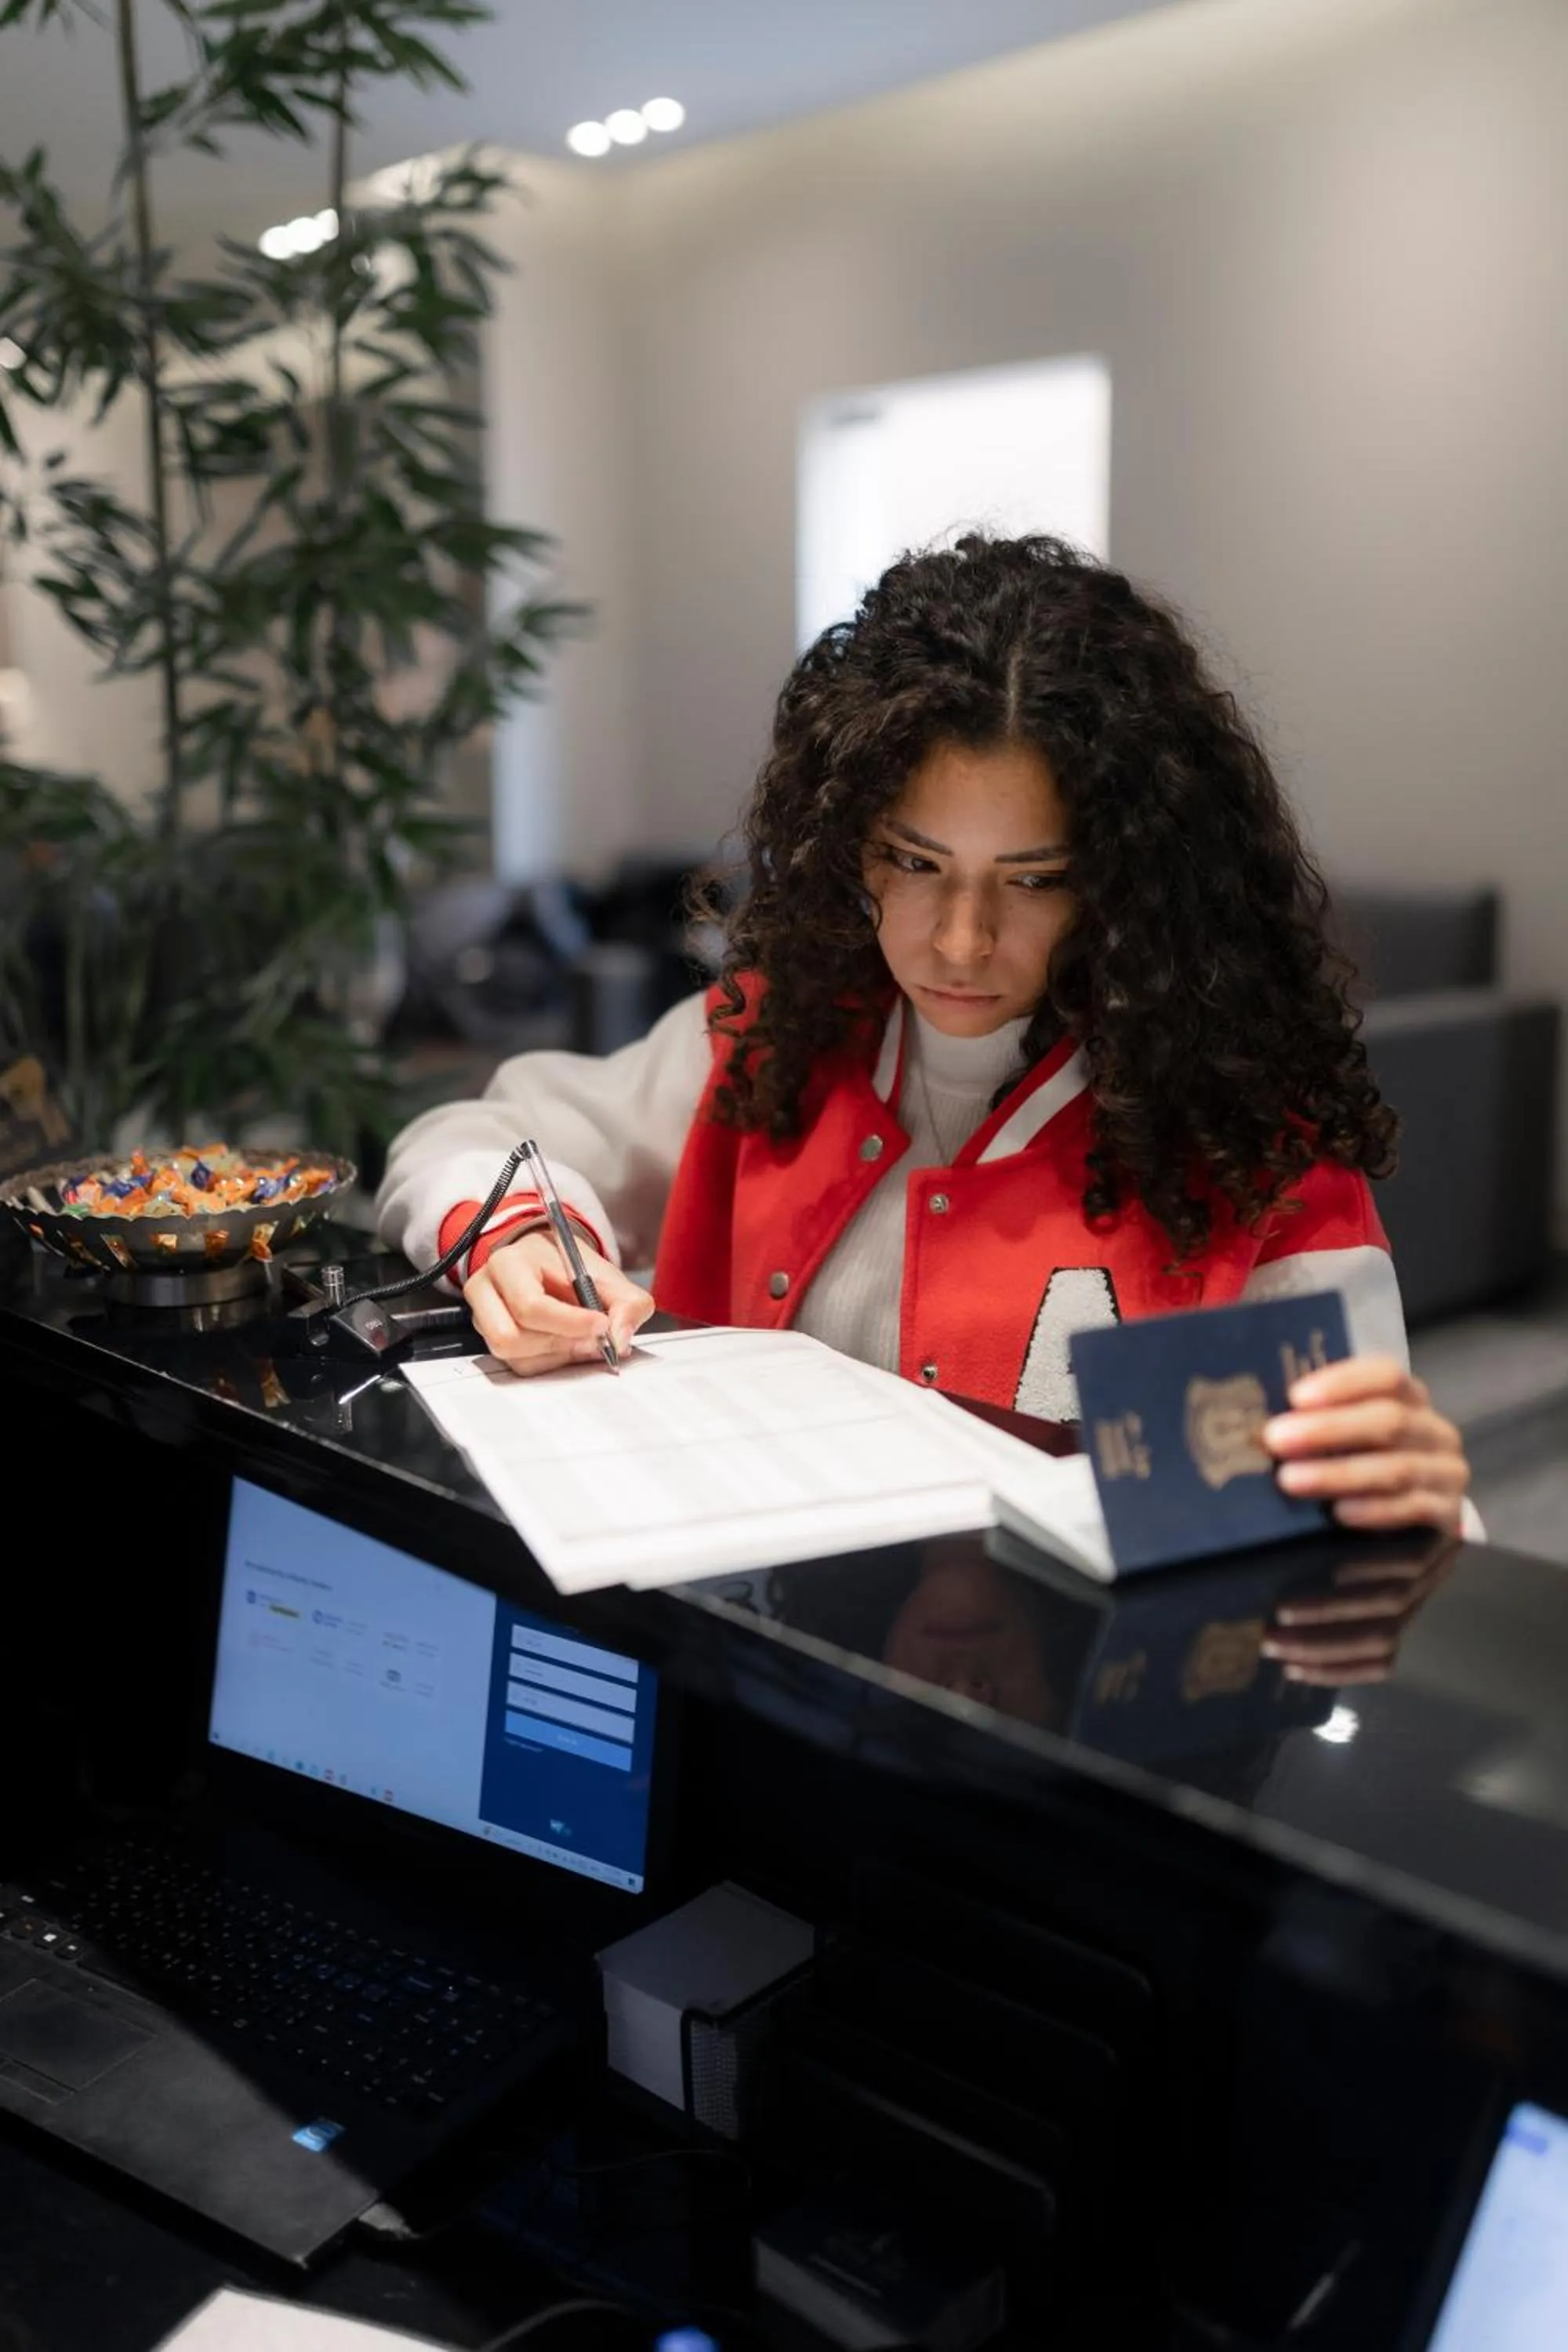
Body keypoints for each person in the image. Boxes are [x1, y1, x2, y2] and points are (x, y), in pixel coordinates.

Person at [376, 534, 1472, 1534]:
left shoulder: (1248, 1141)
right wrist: (516, 1239)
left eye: (1033, 882)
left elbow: (1373, 1510)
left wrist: (1409, 1500)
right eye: (916, 863)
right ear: (852, 846)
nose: (960, 941)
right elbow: (466, 1140)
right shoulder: (778, 1037)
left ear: (1125, 886)